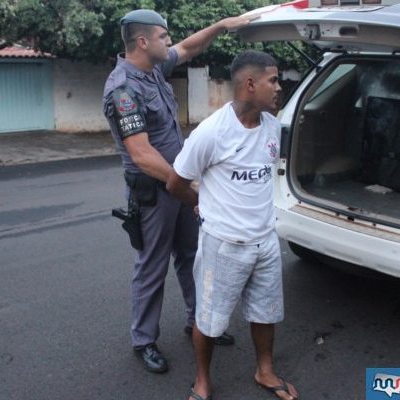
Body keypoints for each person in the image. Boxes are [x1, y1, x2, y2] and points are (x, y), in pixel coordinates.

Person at [102, 9, 253, 373]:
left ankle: (198, 323)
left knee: (191, 256)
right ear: (143, 42)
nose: (169, 42)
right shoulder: (124, 89)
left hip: (179, 185)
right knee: (152, 267)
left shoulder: (153, 69)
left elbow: (188, 48)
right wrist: (185, 186)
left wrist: (219, 26)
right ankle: (143, 341)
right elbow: (141, 154)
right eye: (163, 36)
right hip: (155, 192)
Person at [167, 50, 298, 400]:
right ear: (250, 84)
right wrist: (201, 204)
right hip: (222, 244)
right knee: (209, 319)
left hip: (265, 240)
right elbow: (177, 182)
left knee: (265, 311)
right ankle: (203, 381)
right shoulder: (211, 132)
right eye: (273, 80)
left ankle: (265, 370)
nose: (279, 87)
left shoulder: (273, 127)